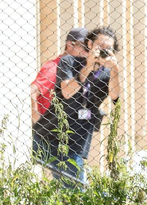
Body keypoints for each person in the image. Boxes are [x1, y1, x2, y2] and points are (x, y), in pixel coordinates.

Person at [33, 26, 121, 184]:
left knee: (70, 191)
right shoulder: (69, 62)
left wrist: (114, 69)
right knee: (76, 191)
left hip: (76, 142)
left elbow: (115, 96)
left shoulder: (108, 73)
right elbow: (67, 92)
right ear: (89, 45)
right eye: (100, 47)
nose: (103, 51)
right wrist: (88, 66)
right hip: (48, 135)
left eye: (108, 49)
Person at [30, 27, 89, 125]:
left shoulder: (82, 69)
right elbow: (33, 91)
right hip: (51, 131)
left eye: (89, 49)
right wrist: (38, 123)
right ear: (70, 44)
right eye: (85, 47)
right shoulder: (54, 67)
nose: (87, 53)